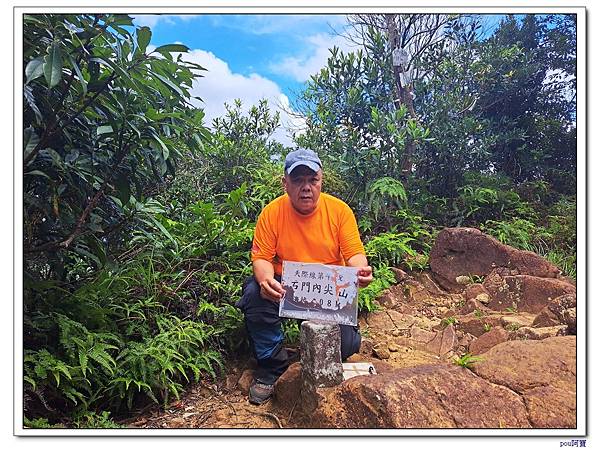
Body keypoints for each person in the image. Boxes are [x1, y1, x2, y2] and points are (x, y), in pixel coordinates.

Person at [235, 148, 373, 405]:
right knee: (254, 293)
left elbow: (354, 254)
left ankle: (325, 344)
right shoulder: (272, 213)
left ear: (322, 181)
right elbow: (262, 258)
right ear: (285, 184)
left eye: (313, 180)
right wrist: (266, 280)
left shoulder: (340, 211)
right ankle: (271, 366)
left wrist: (360, 272)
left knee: (346, 346)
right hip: (285, 287)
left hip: (328, 291)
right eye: (298, 180)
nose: (306, 187)